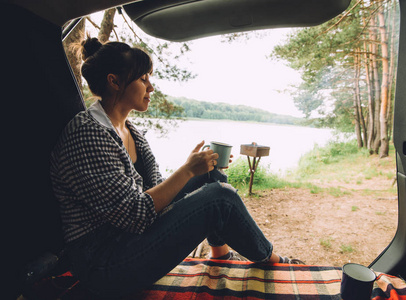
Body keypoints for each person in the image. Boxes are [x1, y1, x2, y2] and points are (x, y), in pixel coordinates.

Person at [50, 37, 302, 298]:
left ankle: (221, 254)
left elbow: (156, 191)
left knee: (212, 176)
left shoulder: (129, 130)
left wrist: (192, 168)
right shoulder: (87, 134)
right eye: (143, 79)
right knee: (221, 199)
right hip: (104, 264)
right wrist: (186, 172)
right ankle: (274, 261)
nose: (151, 87)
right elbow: (137, 214)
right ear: (114, 82)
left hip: (129, 239)